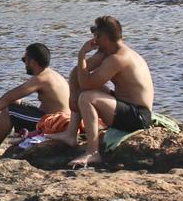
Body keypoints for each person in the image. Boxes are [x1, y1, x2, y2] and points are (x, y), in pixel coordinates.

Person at [49, 16, 155, 168]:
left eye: (95, 34)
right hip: (124, 105)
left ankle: (93, 152)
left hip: (138, 116)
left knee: (87, 97)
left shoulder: (119, 58)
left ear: (103, 37)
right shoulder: (108, 52)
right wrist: (73, 95)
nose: (93, 39)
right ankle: (70, 134)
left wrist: (81, 55)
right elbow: (77, 73)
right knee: (83, 92)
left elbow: (85, 84)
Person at [0, 43, 70, 158]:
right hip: (57, 119)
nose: (24, 64)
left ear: (32, 62)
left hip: (56, 123)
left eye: (24, 60)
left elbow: (10, 96)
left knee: (9, 111)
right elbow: (14, 98)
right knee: (15, 104)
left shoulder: (41, 78)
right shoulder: (51, 74)